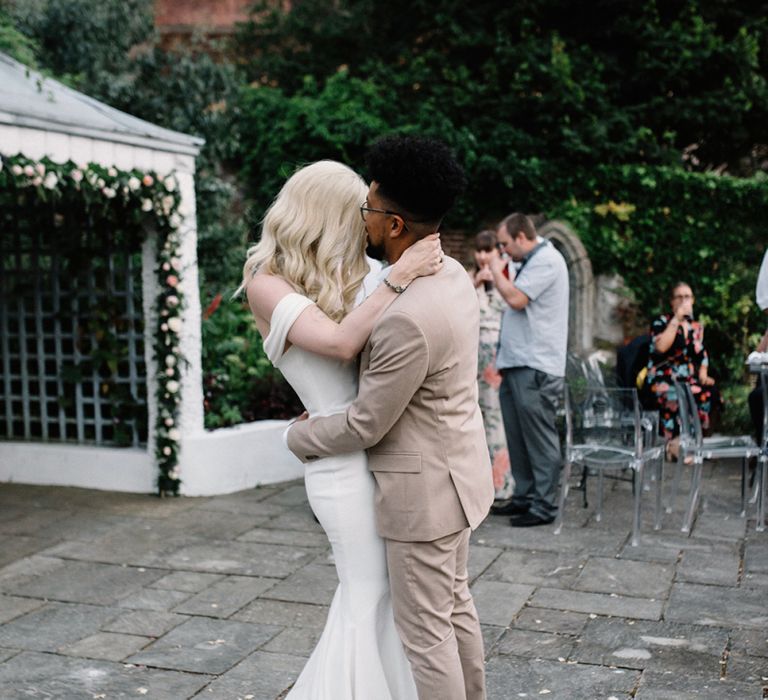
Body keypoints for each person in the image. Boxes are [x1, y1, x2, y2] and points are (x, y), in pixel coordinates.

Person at [286, 135, 494, 700]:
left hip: (422, 495)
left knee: (425, 635)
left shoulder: (405, 316)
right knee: (455, 609)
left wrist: (298, 436)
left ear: (395, 225)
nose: (363, 220)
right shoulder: (449, 274)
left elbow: (365, 425)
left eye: (368, 210)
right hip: (460, 476)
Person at [243, 159, 445, 700]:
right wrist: (397, 278)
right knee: (366, 593)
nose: (365, 224)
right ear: (323, 216)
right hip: (337, 465)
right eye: (355, 212)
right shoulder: (266, 285)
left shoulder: (357, 279)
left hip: (378, 452)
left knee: (384, 595)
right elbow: (339, 345)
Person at [487, 213, 569, 527]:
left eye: (506, 244)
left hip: (535, 365)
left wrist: (496, 270)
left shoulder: (547, 260)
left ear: (522, 237)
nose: (503, 251)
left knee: (539, 438)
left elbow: (517, 299)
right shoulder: (530, 261)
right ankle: (524, 497)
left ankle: (545, 506)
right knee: (518, 438)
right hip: (516, 361)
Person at [645, 281, 717, 458]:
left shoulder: (696, 327)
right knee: (675, 393)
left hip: (688, 377)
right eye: (680, 297)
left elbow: (701, 353)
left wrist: (703, 373)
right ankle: (672, 444)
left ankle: (691, 442)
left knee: (708, 392)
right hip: (663, 376)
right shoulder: (662, 322)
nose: (684, 301)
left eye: (688, 297)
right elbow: (661, 347)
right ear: (672, 301)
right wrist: (676, 320)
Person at [470, 230, 513, 500]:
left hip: (497, 353)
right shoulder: (466, 278)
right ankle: (476, 484)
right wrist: (475, 283)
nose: (483, 256)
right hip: (472, 353)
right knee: (475, 418)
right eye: (479, 250)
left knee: (496, 418)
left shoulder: (507, 278)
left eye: (488, 250)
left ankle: (502, 485)